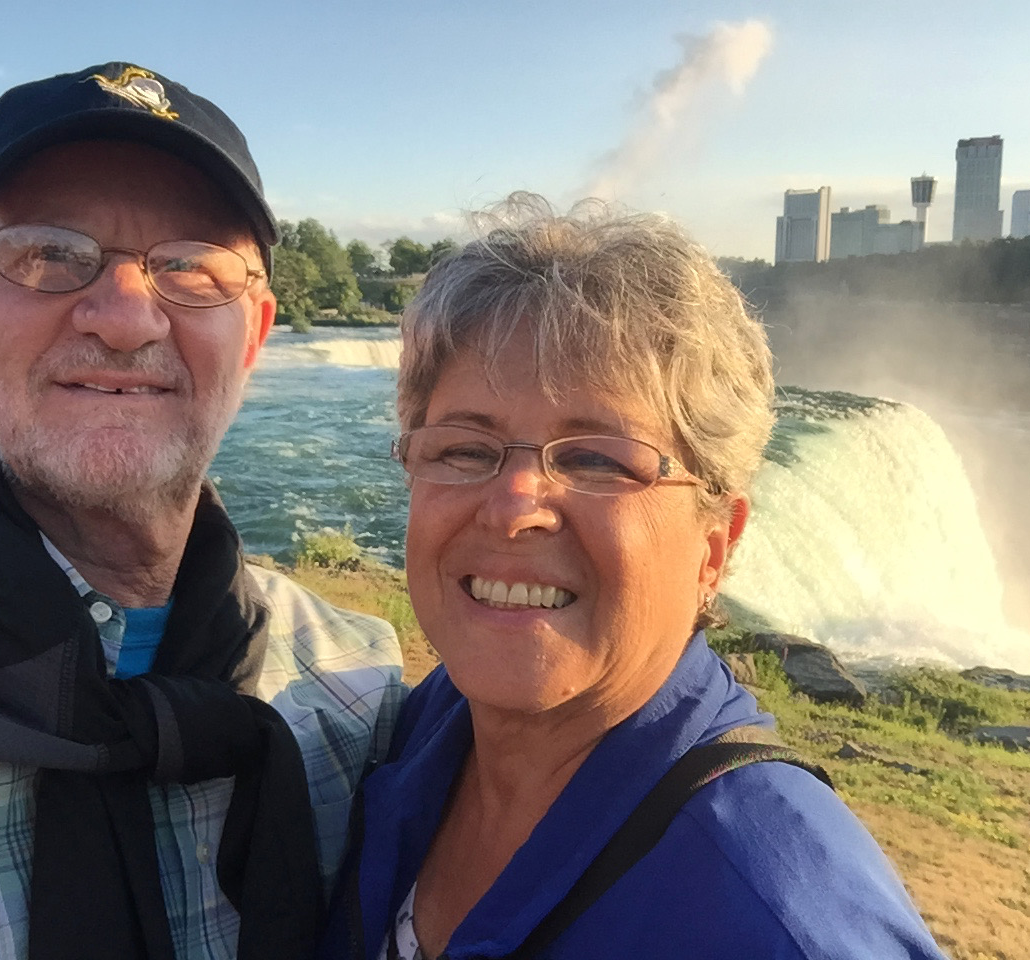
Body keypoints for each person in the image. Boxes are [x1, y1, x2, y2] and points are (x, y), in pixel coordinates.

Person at [0, 63, 403, 960]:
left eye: (190, 268)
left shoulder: (355, 694)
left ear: (255, 333)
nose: (125, 318)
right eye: (48, 254)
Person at [320, 195, 947, 959]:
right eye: (462, 449)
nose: (515, 506)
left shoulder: (779, 920)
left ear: (714, 547)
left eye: (596, 459)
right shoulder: (431, 730)